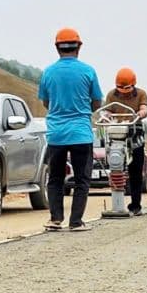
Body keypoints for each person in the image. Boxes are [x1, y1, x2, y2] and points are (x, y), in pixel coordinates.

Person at [38, 27, 103, 231]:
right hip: (81, 133)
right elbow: (96, 102)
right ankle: (76, 222)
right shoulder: (88, 71)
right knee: (82, 179)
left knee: (55, 178)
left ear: (57, 47)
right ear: (79, 47)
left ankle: (56, 219)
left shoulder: (48, 72)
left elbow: (46, 102)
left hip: (56, 134)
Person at [102, 67, 147, 215]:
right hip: (117, 133)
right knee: (116, 166)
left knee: (135, 169)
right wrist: (106, 116)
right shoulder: (111, 94)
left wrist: (141, 113)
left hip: (135, 131)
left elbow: (144, 108)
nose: (123, 90)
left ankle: (136, 205)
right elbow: (108, 111)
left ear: (133, 84)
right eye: (120, 87)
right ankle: (117, 203)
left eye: (127, 87)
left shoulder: (141, 94)